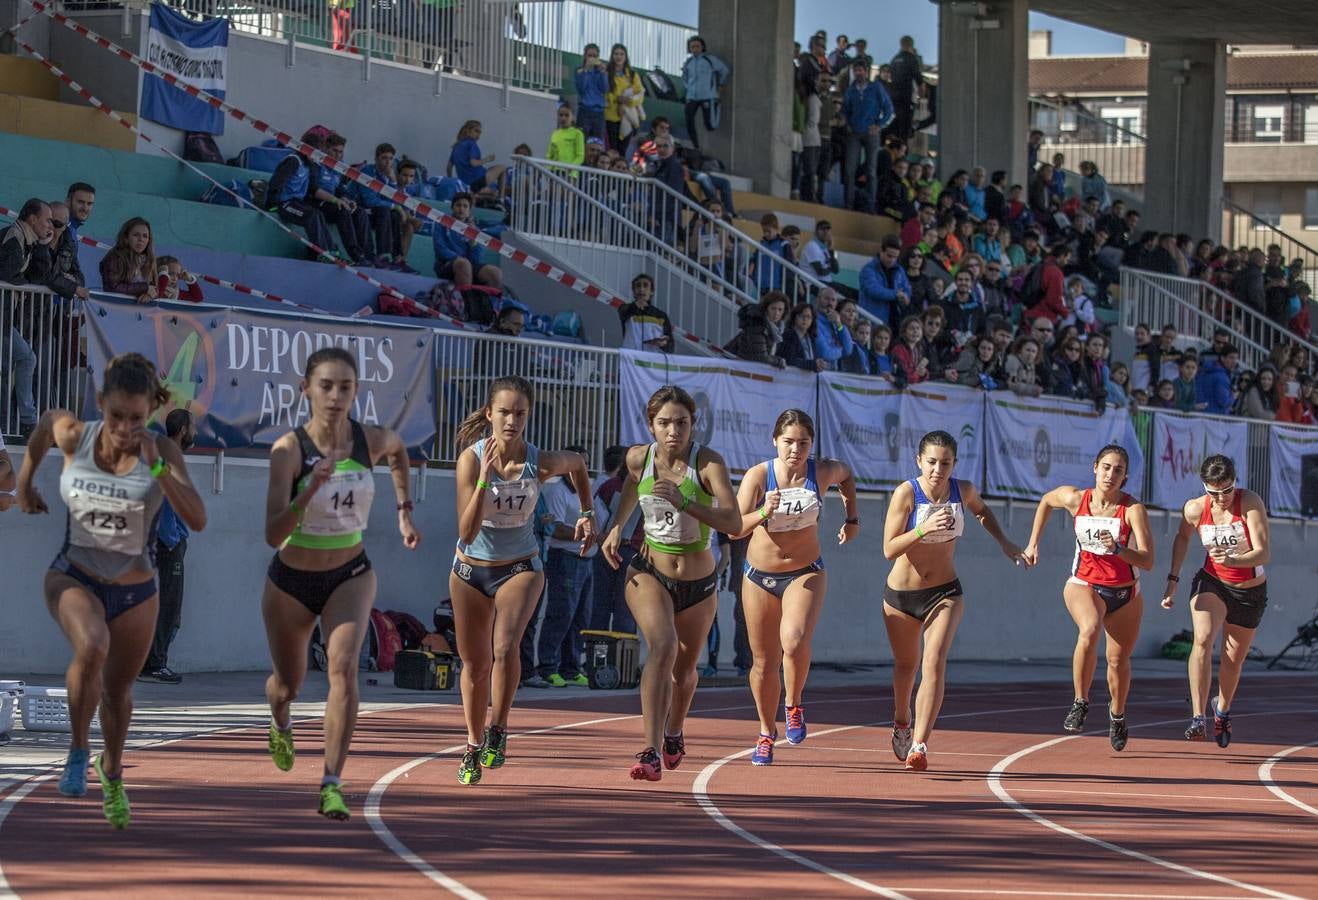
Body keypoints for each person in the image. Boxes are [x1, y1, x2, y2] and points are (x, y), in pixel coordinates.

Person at [15, 353, 207, 828]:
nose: (124, 428)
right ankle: (79, 748)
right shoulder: (75, 435)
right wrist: (24, 483)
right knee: (92, 645)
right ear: (101, 403)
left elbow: (198, 519)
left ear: (151, 414)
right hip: (74, 575)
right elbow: (42, 426)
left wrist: (158, 469)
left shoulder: (162, 451)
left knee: (119, 691)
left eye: (136, 419)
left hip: (136, 589)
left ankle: (114, 770)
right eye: (116, 415)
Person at [260, 347, 419, 819]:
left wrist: (404, 511)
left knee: (343, 667)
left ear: (356, 392)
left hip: (349, 574)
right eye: (325, 386)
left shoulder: (369, 440)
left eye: (345, 387)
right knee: (286, 685)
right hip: (290, 581)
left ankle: (332, 781)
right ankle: (280, 720)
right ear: (305, 390)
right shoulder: (288, 451)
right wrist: (309, 489)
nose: (335, 396)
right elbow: (272, 533)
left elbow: (398, 452)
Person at [450, 376, 594, 783]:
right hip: (470, 568)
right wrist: (484, 478)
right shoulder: (470, 459)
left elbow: (579, 465)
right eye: (505, 412)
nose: (512, 421)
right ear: (489, 414)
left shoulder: (539, 460)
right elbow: (465, 531)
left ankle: (500, 727)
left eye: (520, 413)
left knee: (505, 645)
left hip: (520, 566)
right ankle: (473, 743)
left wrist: (587, 512)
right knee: (474, 664)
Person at [600, 387, 740, 781]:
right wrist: (617, 527)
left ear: (693, 424)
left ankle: (675, 729)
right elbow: (631, 483)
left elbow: (733, 522)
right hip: (649, 572)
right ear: (651, 426)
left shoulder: (708, 464)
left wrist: (686, 503)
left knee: (684, 670)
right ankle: (650, 749)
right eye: (664, 423)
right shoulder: (638, 457)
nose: (673, 431)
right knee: (660, 647)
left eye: (681, 422)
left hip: (698, 583)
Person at [882, 431, 1022, 771]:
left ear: (954, 464)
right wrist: (923, 528)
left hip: (945, 591)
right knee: (906, 666)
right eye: (931, 462)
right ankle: (902, 719)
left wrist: (1005, 542)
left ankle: (920, 744)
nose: (937, 470)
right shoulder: (906, 493)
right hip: (902, 596)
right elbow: (888, 549)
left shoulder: (963, 490)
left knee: (934, 662)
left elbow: (983, 511)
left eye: (945, 463)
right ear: (919, 461)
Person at [732, 410, 858, 764]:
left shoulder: (821, 471)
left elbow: (847, 477)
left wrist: (852, 519)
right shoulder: (759, 475)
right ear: (775, 441)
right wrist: (762, 513)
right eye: (788, 441)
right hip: (759, 575)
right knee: (762, 662)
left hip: (805, 571)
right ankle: (764, 732)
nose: (795, 449)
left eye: (803, 443)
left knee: (795, 639)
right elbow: (733, 528)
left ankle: (793, 704)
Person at [1021, 445, 1153, 751]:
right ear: (1095, 467)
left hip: (1125, 591)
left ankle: (1117, 714)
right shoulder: (1076, 498)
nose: (1110, 475)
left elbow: (1147, 560)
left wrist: (1119, 549)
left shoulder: (1132, 510)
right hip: (1084, 583)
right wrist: (1033, 544)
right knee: (1090, 628)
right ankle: (1080, 702)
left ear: (1125, 477)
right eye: (1106, 467)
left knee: (1118, 660)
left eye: (1118, 470)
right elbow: (1046, 501)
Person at [1162, 455, 1270, 746]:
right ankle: (1198, 717)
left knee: (1232, 663)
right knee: (1203, 639)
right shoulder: (1195, 509)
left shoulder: (1249, 502)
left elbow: (1263, 553)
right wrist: (1172, 581)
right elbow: (1182, 537)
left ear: (1235, 483)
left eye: (1227, 490)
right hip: (1213, 583)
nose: (1221, 498)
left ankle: (1221, 709)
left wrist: (1234, 558)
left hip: (1249, 591)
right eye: (1213, 492)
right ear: (1204, 487)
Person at [536, 445, 605, 686]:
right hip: (564, 560)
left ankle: (571, 667)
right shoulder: (557, 492)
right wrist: (585, 534)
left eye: (585, 464)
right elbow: (553, 528)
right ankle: (547, 666)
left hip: (587, 561)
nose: (581, 469)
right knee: (561, 614)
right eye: (577, 464)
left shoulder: (586, 492)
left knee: (581, 617)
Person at [139, 409, 196, 684]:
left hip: (167, 541)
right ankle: (154, 664)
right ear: (183, 429)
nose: (194, 431)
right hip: (167, 544)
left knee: (168, 604)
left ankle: (150, 661)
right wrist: (172, 539)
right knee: (169, 605)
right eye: (192, 426)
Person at [267, 133, 342, 263]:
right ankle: (322, 252)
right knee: (311, 216)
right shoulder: (293, 160)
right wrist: (271, 203)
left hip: (296, 201)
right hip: (284, 203)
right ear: (307, 150)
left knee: (318, 213)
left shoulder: (309, 165)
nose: (318, 158)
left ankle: (332, 251)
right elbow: (276, 182)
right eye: (316, 153)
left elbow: (313, 187)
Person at [841, 58, 894, 212]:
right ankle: (848, 204)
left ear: (866, 71)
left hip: (871, 132)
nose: (858, 73)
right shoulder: (851, 90)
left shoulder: (876, 87)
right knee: (850, 169)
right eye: (855, 70)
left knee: (871, 170)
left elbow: (889, 109)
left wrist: (880, 125)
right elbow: (845, 109)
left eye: (860, 70)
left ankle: (871, 205)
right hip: (855, 133)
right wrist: (847, 124)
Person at [432, 193, 502, 292]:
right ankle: (465, 303)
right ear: (452, 207)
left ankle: (487, 304)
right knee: (464, 264)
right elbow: (440, 249)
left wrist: (473, 240)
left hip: (468, 265)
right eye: (458, 205)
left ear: (469, 211)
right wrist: (459, 259)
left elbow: (478, 260)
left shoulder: (474, 230)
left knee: (495, 272)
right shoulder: (442, 223)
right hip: (446, 265)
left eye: (465, 206)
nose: (461, 209)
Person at [681, 36, 729, 150]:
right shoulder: (689, 62)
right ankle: (696, 145)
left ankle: (716, 105)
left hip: (707, 96)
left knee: (710, 126)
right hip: (692, 96)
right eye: (692, 47)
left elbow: (725, 70)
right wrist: (688, 87)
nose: (695, 49)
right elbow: (684, 77)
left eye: (697, 46)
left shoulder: (710, 60)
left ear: (702, 47)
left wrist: (721, 84)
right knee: (688, 119)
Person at [98, 217, 157, 303]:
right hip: (115, 308)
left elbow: (154, 288)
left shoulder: (150, 260)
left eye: (145, 236)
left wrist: (149, 295)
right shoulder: (115, 257)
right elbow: (113, 288)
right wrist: (144, 288)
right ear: (126, 237)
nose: (141, 239)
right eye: (136, 235)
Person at [604, 44, 646, 152]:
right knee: (612, 150)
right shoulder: (606, 72)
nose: (619, 56)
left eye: (622, 54)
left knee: (623, 151)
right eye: (616, 54)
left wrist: (629, 101)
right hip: (610, 117)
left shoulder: (632, 74)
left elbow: (640, 94)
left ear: (626, 56)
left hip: (628, 117)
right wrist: (616, 99)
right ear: (612, 56)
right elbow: (603, 92)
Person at [618, 273, 675, 352]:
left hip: (652, 361)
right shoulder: (626, 309)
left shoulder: (661, 315)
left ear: (651, 291)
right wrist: (634, 306)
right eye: (638, 286)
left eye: (645, 286)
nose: (641, 289)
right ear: (633, 291)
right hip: (631, 361)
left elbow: (671, 346)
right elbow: (622, 313)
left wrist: (664, 344)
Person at [449, 121, 505, 198]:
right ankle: (501, 198)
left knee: (492, 192)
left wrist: (451, 180)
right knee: (502, 168)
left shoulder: (456, 146)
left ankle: (480, 194)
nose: (478, 136)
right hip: (478, 180)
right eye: (476, 131)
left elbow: (449, 167)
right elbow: (473, 163)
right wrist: (487, 159)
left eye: (480, 133)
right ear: (468, 131)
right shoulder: (471, 144)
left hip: (466, 183)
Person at [574, 43, 610, 144]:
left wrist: (603, 73)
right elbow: (581, 89)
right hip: (584, 111)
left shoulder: (600, 72)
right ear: (585, 56)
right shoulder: (579, 71)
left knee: (597, 142)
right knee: (582, 141)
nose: (592, 58)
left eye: (595, 56)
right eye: (590, 55)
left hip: (599, 112)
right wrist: (586, 70)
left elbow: (604, 89)